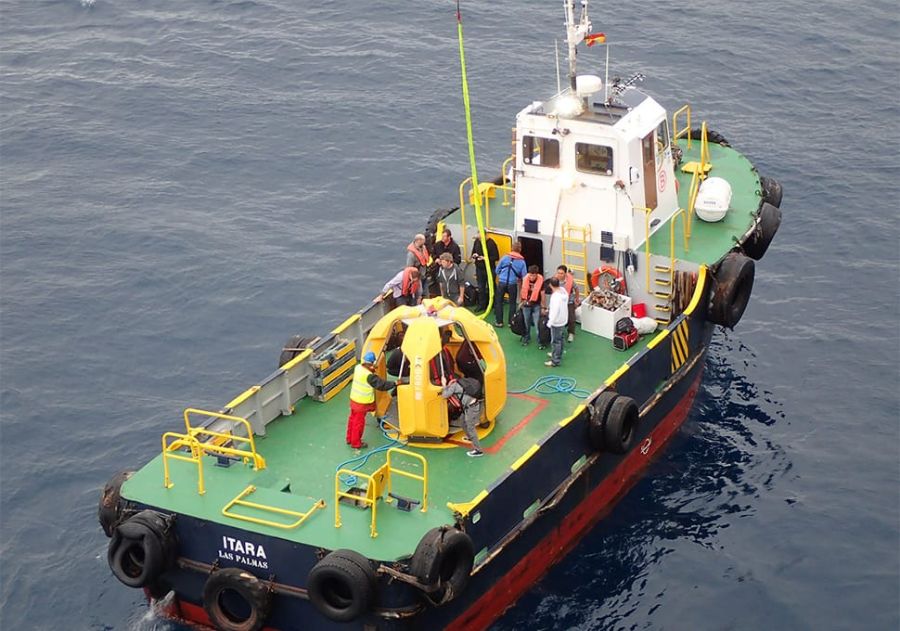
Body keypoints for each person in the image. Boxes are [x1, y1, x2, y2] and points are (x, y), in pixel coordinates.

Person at [346, 351, 396, 449]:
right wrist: (395, 383)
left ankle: (349, 438)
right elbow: (382, 385)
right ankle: (356, 443)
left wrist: (372, 370)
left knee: (352, 420)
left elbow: (367, 373)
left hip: (354, 400)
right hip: (361, 403)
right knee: (358, 424)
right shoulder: (369, 376)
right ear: (370, 364)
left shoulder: (358, 368)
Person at [440, 377, 485, 457]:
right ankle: (470, 437)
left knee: (470, 427)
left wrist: (443, 384)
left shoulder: (454, 386)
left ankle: (478, 450)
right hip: (468, 407)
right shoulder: (459, 383)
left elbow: (444, 395)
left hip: (471, 408)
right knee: (462, 420)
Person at [493, 242, 527, 327]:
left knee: (499, 302)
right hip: (512, 284)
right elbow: (524, 276)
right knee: (512, 303)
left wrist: (501, 275)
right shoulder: (522, 262)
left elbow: (497, 270)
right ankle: (510, 322)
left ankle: (499, 322)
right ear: (520, 249)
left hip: (502, 283)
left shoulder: (504, 258)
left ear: (512, 248)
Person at [470, 235, 499, 312]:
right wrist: (474, 255)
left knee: (492, 287)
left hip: (489, 269)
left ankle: (495, 304)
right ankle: (481, 305)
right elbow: (473, 252)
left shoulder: (491, 243)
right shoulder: (477, 242)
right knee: (481, 287)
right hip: (479, 269)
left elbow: (496, 257)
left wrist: (485, 258)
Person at [544, 277, 568, 367]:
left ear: (550, 285)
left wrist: (550, 322)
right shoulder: (563, 291)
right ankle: (558, 354)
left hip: (556, 322)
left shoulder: (555, 297)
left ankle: (555, 360)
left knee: (555, 341)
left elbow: (555, 311)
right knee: (560, 339)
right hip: (563, 319)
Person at [519, 265, 544, 346]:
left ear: (537, 274)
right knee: (526, 322)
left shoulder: (540, 281)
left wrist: (543, 307)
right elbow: (522, 290)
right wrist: (521, 302)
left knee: (537, 323)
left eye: (534, 275)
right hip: (526, 305)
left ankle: (540, 339)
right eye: (530, 275)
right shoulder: (525, 279)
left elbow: (542, 294)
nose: (532, 277)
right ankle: (527, 337)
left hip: (536, 304)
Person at [555, 265, 581, 342]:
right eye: (558, 273)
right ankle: (560, 332)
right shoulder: (555, 280)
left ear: (565, 274)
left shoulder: (570, 281)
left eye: (561, 273)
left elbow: (576, 289)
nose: (559, 275)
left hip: (569, 301)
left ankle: (571, 333)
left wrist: (576, 299)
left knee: (571, 319)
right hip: (559, 302)